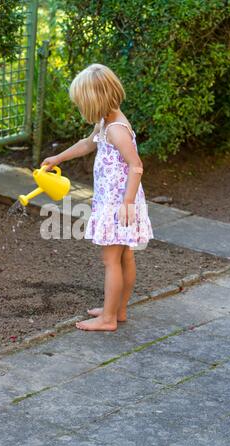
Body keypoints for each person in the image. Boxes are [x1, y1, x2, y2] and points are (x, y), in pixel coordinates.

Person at [42, 63, 154, 331]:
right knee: (125, 256)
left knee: (111, 260)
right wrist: (59, 157)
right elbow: (87, 143)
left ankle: (108, 318)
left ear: (96, 100)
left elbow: (136, 165)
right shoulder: (105, 122)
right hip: (118, 202)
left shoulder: (117, 129)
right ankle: (118, 309)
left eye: (82, 104)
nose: (81, 109)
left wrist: (126, 203)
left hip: (119, 204)